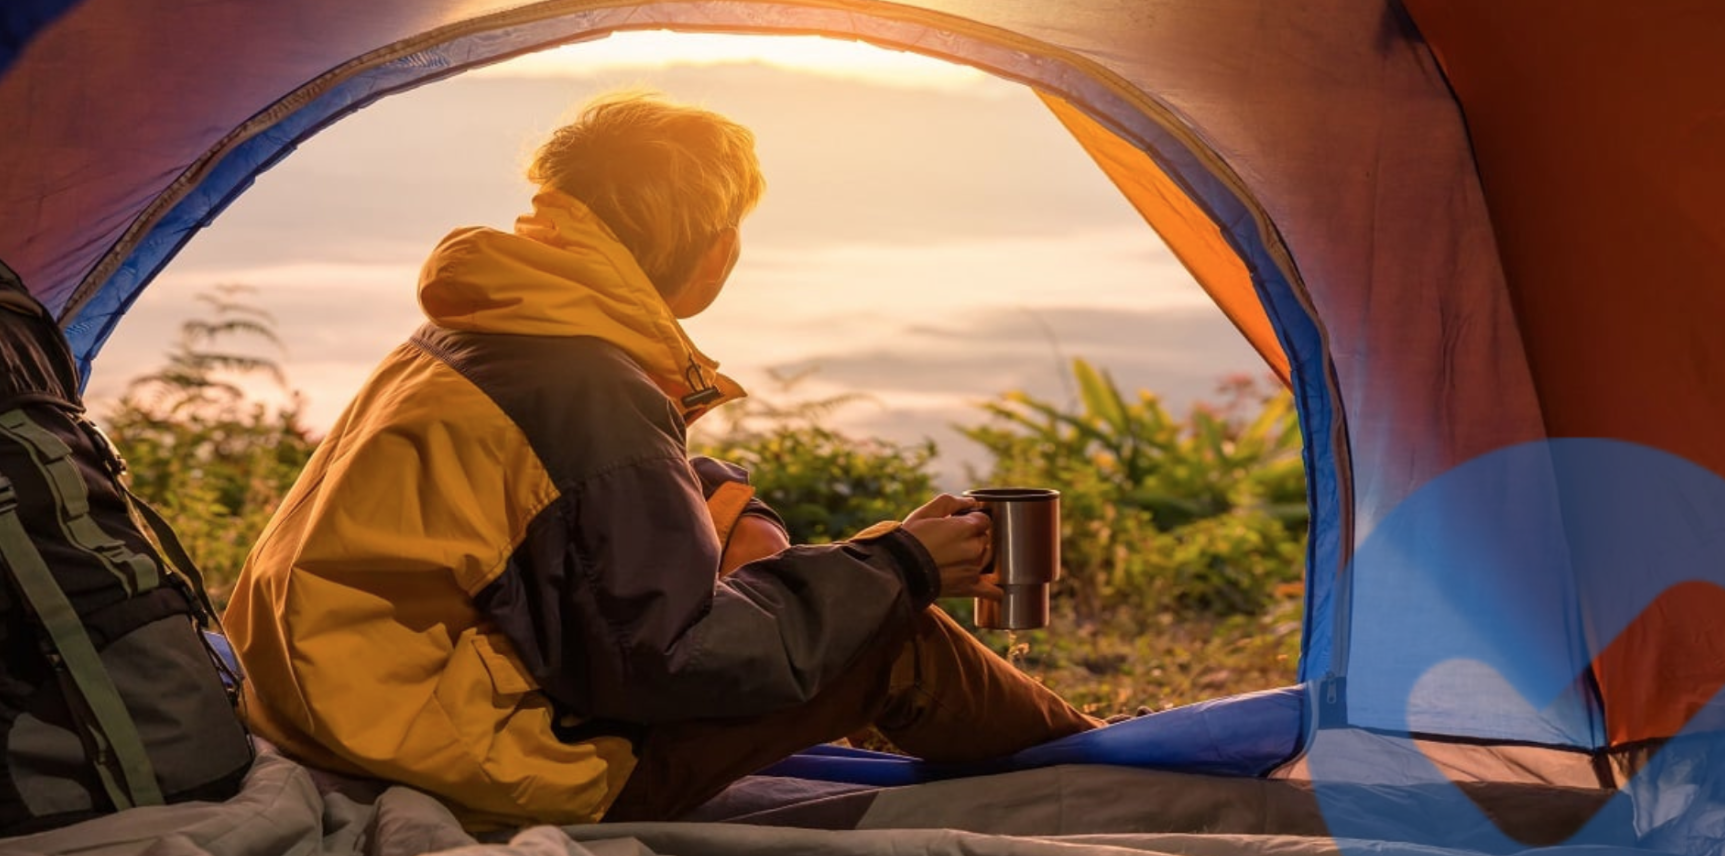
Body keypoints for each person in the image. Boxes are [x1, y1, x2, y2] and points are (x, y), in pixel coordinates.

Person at [221, 90, 1101, 832]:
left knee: (737, 514)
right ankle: (1103, 764)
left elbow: (564, 522)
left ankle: (1058, 733)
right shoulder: (585, 386)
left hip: (338, 704)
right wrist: (902, 564)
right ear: (713, 246)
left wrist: (741, 516)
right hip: (463, 753)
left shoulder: (490, 324)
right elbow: (667, 662)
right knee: (891, 638)